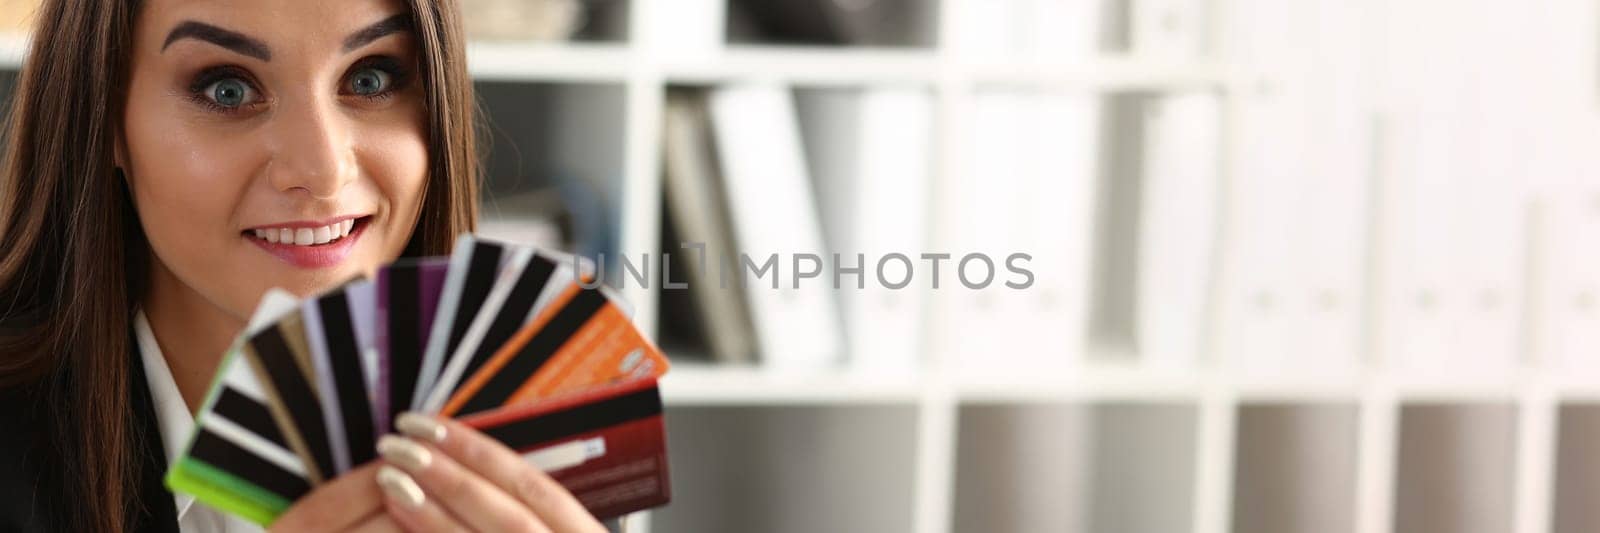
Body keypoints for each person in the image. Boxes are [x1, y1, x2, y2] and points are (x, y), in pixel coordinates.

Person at [0, 1, 605, 531]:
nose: (321, 170)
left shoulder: (547, 448)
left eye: (370, 79)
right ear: (103, 114)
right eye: (226, 89)